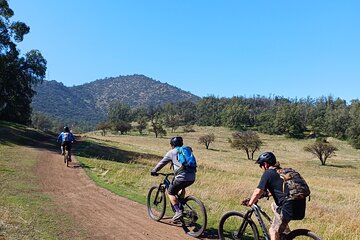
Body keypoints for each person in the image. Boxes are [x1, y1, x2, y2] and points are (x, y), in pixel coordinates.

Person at [247, 152, 306, 240]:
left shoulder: (268, 173)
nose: (261, 168)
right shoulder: (282, 172)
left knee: (273, 231)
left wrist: (250, 203)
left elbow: (258, 191)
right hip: (300, 203)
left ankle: (279, 231)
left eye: (261, 165)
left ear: (265, 164)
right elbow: (279, 190)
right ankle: (285, 232)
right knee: (274, 205)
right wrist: (266, 194)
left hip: (288, 205)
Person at [151, 136, 196, 222]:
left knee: (170, 192)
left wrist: (154, 170)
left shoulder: (172, 152)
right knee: (181, 187)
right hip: (192, 176)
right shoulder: (186, 150)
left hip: (181, 177)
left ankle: (178, 211)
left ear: (172, 144)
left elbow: (162, 163)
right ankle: (181, 205)